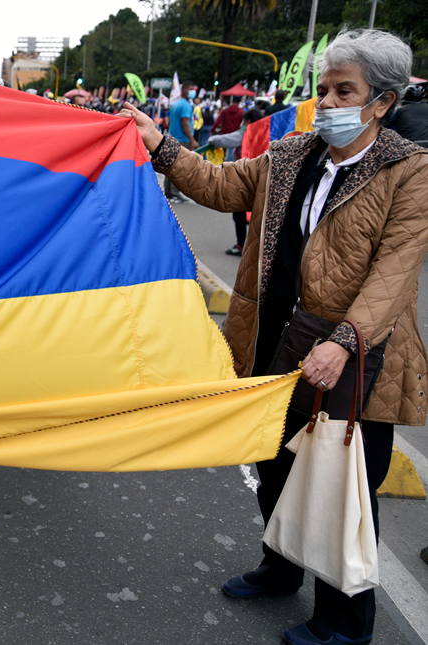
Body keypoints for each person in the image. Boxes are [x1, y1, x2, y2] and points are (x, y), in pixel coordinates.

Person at [120, 28, 428, 645]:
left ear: (384, 102)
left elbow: (394, 274)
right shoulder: (292, 154)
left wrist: (343, 342)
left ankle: (346, 623)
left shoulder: (409, 172)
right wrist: (162, 147)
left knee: (343, 489)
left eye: (347, 91)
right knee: (273, 463)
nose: (330, 103)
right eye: (324, 89)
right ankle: (279, 567)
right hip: (273, 338)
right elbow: (221, 186)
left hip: (355, 354)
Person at [207, 108, 264, 256]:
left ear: (249, 122)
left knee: (239, 214)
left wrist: (212, 139)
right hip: (261, 179)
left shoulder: (247, 133)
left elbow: (225, 140)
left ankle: (241, 245)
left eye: (243, 122)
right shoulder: (266, 132)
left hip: (243, 180)